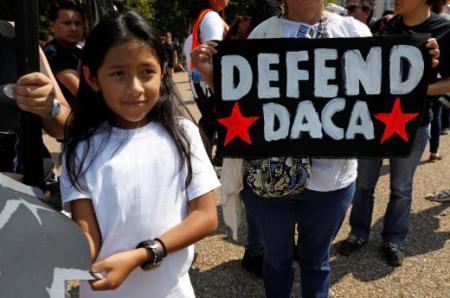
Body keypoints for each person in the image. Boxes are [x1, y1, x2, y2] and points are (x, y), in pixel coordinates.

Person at [60, 12, 220, 298]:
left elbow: (206, 216)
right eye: (118, 73)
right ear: (92, 77)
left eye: (146, 71)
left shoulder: (183, 133)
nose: (134, 88)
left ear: (163, 70)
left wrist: (144, 254)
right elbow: (88, 239)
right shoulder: (80, 147)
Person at [339, 0, 450, 267]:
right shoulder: (385, 26)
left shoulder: (444, 29)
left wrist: (415, 88)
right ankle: (358, 233)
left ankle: (394, 239)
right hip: (373, 122)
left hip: (414, 122)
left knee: (401, 187)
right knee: (364, 183)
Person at [183, 0, 229, 156]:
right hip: (210, 81)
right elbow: (214, 50)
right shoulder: (211, 17)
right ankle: (203, 162)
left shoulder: (201, 18)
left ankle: (205, 161)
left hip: (200, 81)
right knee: (212, 122)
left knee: (209, 122)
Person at [44, 0, 84, 107]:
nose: (73, 29)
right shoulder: (54, 52)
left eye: (78, 23)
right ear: (52, 26)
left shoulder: (79, 51)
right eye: (67, 23)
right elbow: (79, 90)